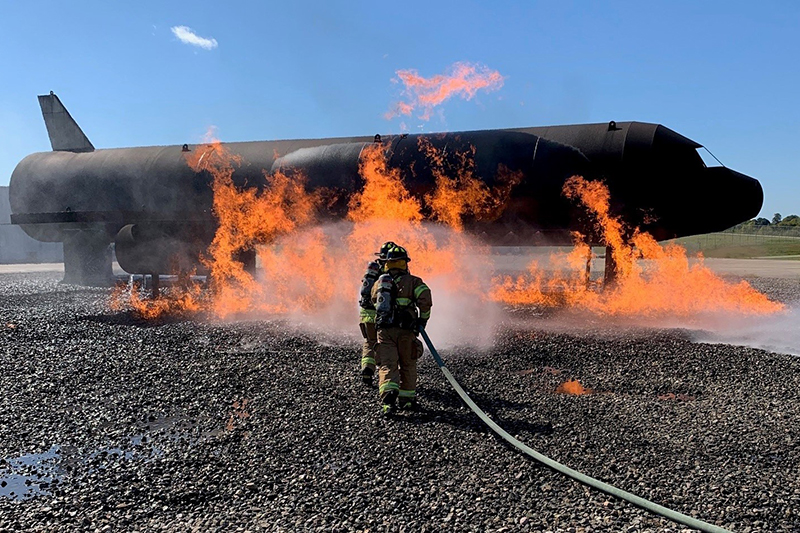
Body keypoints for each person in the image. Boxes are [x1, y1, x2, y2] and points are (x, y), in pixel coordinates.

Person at [371, 244, 432, 414]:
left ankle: (388, 399)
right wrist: (422, 321)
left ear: (387, 264)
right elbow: (425, 300)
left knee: (387, 363)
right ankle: (407, 400)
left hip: (385, 331)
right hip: (406, 331)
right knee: (408, 363)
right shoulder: (414, 282)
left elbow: (373, 300)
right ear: (405, 263)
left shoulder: (379, 283)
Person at [358, 241, 396, 385]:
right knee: (385, 344)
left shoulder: (373, 270)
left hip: (366, 313)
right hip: (382, 315)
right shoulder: (393, 273)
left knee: (369, 341)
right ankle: (386, 374)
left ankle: (367, 368)